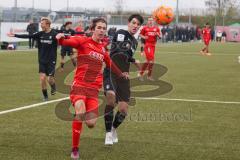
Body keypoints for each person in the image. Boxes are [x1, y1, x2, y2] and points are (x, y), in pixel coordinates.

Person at [56, 17, 128, 160]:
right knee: (80, 112)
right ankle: (75, 149)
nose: (101, 30)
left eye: (103, 28)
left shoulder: (102, 49)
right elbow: (67, 42)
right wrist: (60, 39)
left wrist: (121, 75)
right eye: (99, 27)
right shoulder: (83, 41)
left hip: (93, 91)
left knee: (91, 123)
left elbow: (110, 64)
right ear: (92, 29)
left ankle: (78, 114)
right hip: (79, 86)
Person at [103, 14, 144, 146]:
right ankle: (108, 133)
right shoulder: (121, 33)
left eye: (138, 24)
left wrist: (132, 62)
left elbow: (126, 56)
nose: (135, 26)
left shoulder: (135, 42)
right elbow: (118, 51)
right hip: (111, 72)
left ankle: (114, 129)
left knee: (124, 110)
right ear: (128, 23)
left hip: (123, 76)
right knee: (110, 97)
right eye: (133, 23)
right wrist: (134, 60)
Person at [8, 17, 58, 101]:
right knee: (42, 79)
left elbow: (66, 39)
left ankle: (53, 87)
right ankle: (45, 96)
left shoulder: (54, 34)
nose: (41, 25)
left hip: (51, 60)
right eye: (41, 23)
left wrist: (62, 37)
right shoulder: (40, 34)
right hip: (42, 60)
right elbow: (28, 36)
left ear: (47, 24)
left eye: (42, 23)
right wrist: (15, 35)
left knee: (50, 79)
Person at [138, 17, 160, 81]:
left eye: (152, 20)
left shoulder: (156, 28)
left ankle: (143, 74)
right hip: (147, 45)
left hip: (153, 46)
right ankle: (148, 75)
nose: (150, 21)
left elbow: (160, 36)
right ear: (147, 21)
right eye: (149, 20)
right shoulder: (145, 28)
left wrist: (158, 34)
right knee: (151, 61)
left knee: (149, 62)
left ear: (153, 21)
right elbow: (140, 34)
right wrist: (144, 37)